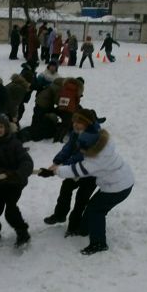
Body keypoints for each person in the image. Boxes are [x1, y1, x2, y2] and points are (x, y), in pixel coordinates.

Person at [39, 109, 134, 255]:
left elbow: (78, 169)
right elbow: (72, 149)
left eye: (83, 149)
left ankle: (99, 243)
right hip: (118, 181)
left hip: (118, 187)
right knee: (92, 208)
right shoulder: (97, 141)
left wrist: (55, 171)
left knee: (96, 210)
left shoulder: (96, 159)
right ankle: (83, 229)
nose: (80, 151)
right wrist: (58, 163)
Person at [42, 109, 100, 236]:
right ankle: (60, 215)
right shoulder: (77, 132)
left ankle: (74, 225)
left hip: (90, 174)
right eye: (74, 122)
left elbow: (80, 157)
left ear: (88, 123)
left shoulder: (93, 137)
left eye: (79, 122)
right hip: (75, 171)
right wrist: (57, 161)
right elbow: (68, 148)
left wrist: (60, 168)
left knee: (81, 199)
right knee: (65, 190)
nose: (75, 125)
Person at [0, 112, 34, 247]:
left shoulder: (15, 144)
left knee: (10, 210)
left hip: (16, 182)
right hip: (0, 182)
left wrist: (18, 174)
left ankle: (23, 233)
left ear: (7, 128)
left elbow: (27, 162)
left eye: (1, 126)